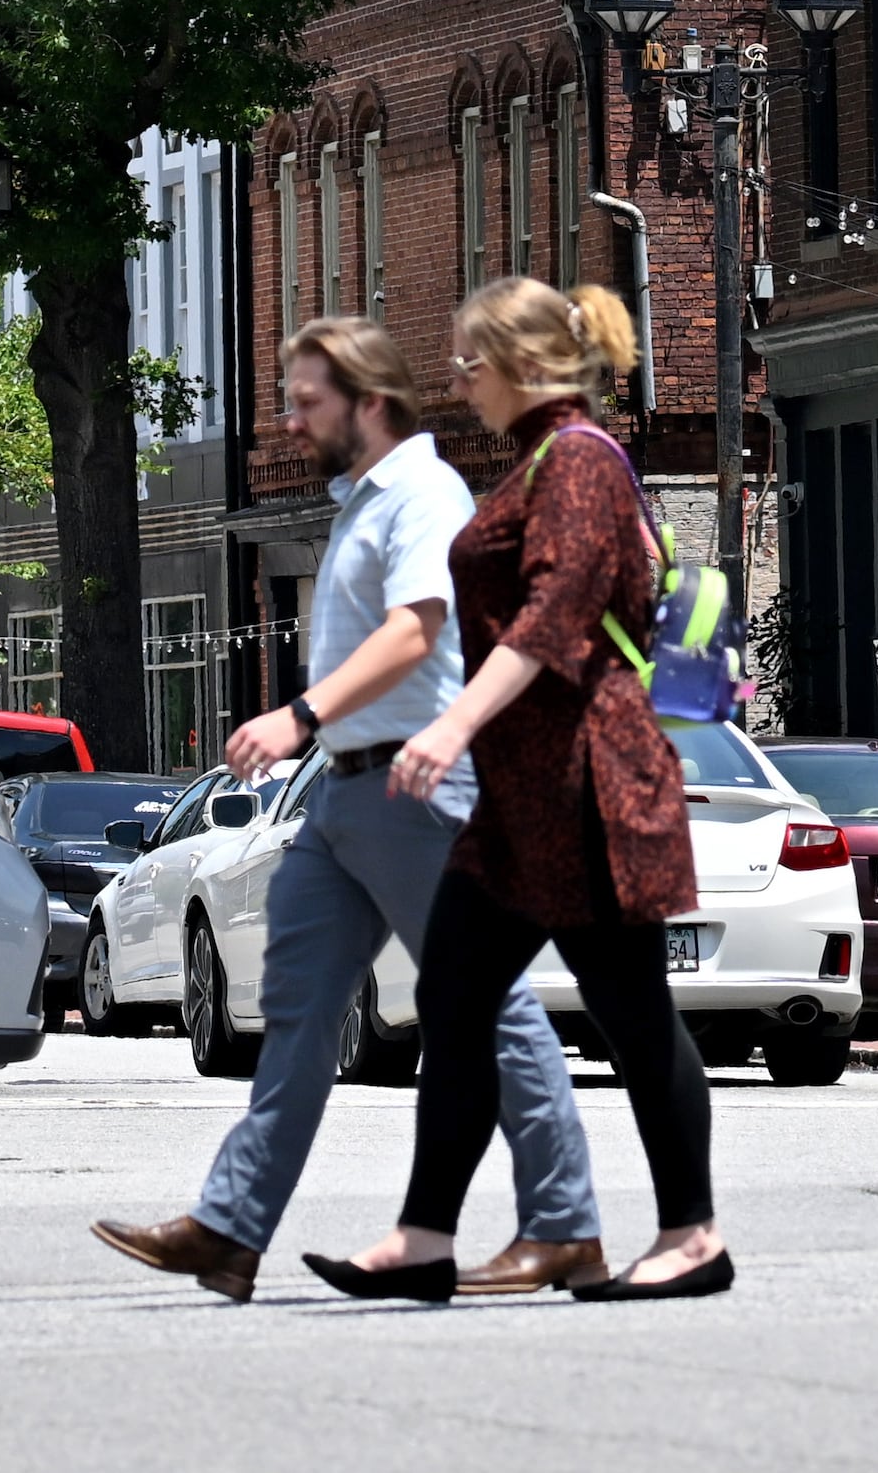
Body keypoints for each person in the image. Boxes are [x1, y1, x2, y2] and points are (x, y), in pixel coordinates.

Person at [89, 317, 604, 1303]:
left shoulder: (422, 492)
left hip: (417, 792)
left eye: (308, 401)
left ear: (370, 404)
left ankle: (566, 1224)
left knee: (488, 1007)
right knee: (298, 1012)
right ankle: (231, 1230)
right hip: (343, 799)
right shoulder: (361, 503)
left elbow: (418, 630)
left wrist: (300, 714)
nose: (288, 420)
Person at [305, 278, 728, 1305]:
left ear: (528, 365)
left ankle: (691, 1236)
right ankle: (424, 1238)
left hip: (587, 785)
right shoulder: (537, 461)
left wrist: (450, 723)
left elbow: (557, 616)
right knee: (452, 997)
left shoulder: (578, 461)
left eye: (470, 362)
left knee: (632, 1013)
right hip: (521, 802)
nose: (457, 382)